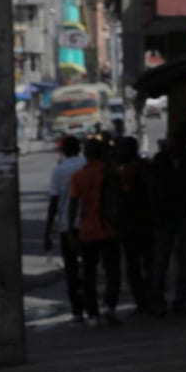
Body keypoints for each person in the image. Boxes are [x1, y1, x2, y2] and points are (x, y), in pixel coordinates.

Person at [149, 123, 186, 314]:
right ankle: (159, 300)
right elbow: (151, 189)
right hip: (164, 217)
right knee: (161, 260)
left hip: (184, 215)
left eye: (180, 138)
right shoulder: (160, 160)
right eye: (174, 137)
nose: (176, 141)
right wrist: (155, 213)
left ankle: (180, 299)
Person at [67, 138, 124, 325]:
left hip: (87, 231)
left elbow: (73, 205)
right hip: (110, 229)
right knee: (112, 272)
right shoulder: (111, 173)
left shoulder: (79, 176)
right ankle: (110, 305)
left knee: (89, 274)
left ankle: (93, 313)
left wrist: (70, 230)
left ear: (86, 154)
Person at [113, 136, 160, 316]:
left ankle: (150, 299)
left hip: (142, 223)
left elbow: (152, 194)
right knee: (136, 266)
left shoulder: (139, 169)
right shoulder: (124, 169)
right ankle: (143, 301)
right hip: (131, 224)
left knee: (146, 264)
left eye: (121, 149)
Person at [43, 135, 89, 322]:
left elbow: (54, 202)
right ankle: (91, 306)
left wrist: (47, 232)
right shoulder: (88, 164)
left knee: (71, 270)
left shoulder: (59, 171)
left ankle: (77, 311)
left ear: (63, 151)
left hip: (66, 227)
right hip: (89, 224)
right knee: (89, 267)